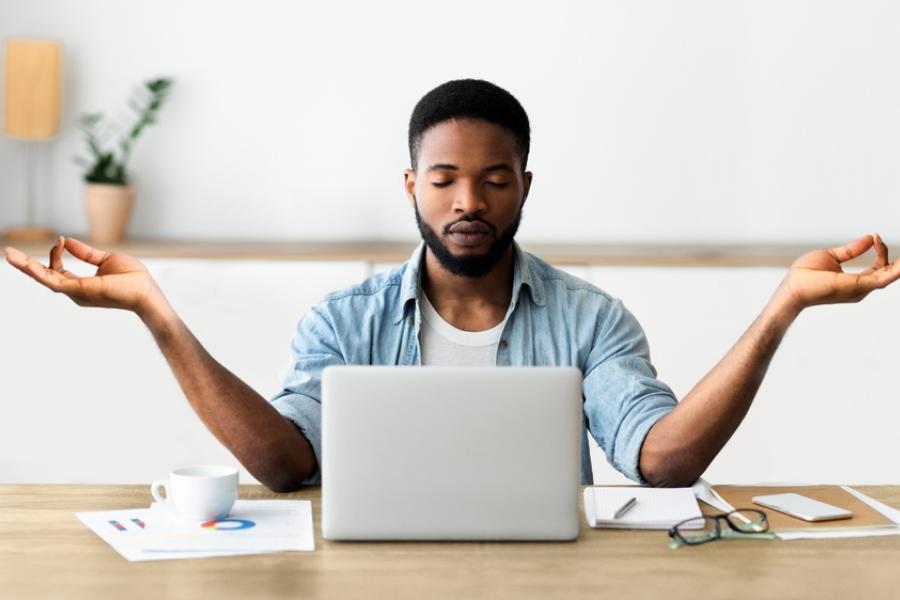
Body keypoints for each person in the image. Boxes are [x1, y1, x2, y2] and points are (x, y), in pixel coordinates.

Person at [5, 79, 899, 492]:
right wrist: (157, 313)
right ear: (412, 186)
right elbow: (286, 465)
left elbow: (662, 464)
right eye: (444, 179)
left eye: (495, 178)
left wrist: (781, 307)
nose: (469, 201)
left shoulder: (591, 319)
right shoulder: (344, 319)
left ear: (524, 184)